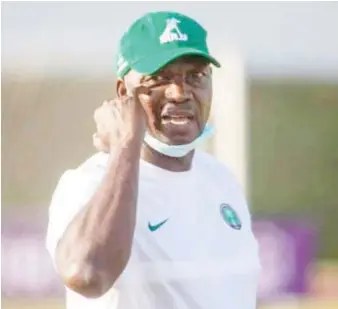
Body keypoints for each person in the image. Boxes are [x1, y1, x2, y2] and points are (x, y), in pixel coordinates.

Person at [46, 10, 261, 309]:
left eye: (195, 76)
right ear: (123, 92)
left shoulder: (222, 180)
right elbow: (87, 274)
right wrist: (125, 144)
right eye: (159, 78)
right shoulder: (88, 182)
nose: (179, 93)